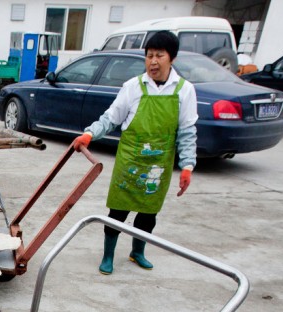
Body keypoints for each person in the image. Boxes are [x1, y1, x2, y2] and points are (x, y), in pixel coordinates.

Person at [73, 30, 198, 272]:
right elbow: (111, 119)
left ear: (171, 58)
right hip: (130, 161)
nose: (152, 61)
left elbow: (187, 131)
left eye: (159, 55)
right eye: (149, 55)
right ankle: (108, 255)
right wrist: (89, 134)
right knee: (117, 212)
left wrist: (187, 166)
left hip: (158, 164)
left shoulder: (184, 90)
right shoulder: (134, 86)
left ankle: (137, 252)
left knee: (148, 214)